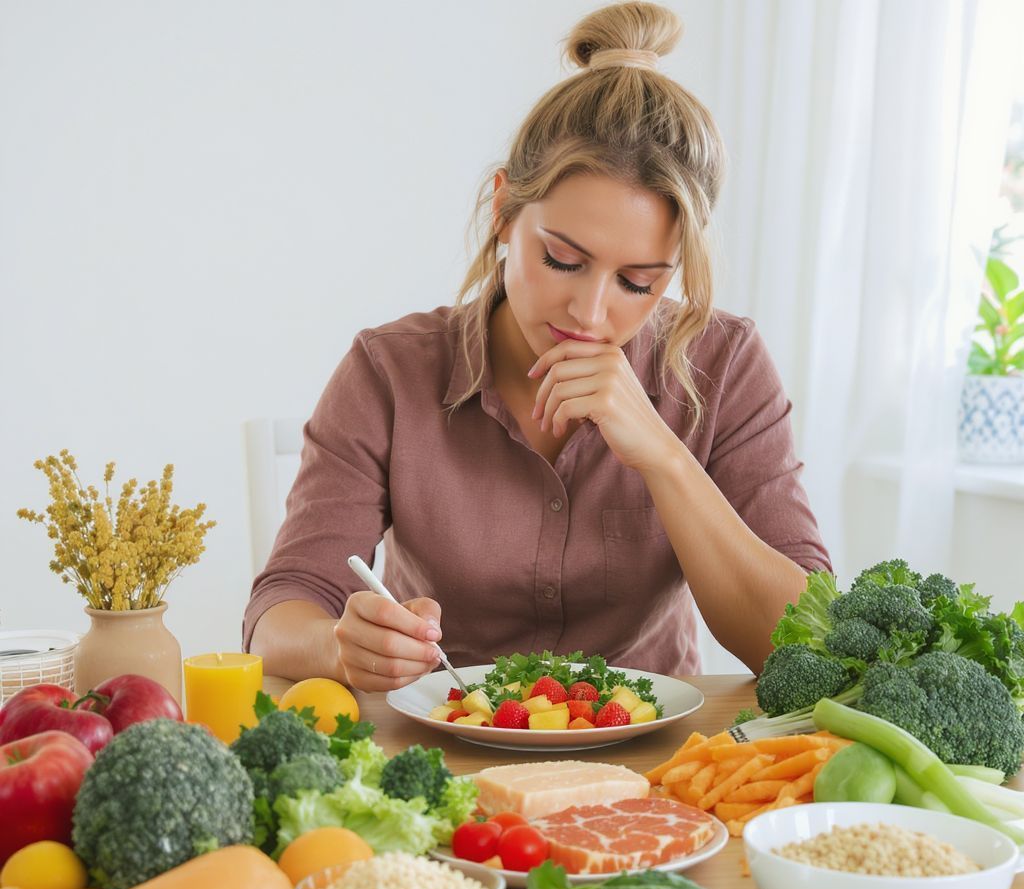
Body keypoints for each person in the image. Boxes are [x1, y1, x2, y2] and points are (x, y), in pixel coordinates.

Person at [243, 1, 831, 692]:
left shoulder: (725, 364)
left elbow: (810, 649)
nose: (591, 312)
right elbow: (278, 613)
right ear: (502, 213)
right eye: (561, 260)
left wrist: (664, 457)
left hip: (656, 764)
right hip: (443, 750)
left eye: (639, 282)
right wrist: (337, 646)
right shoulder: (389, 371)